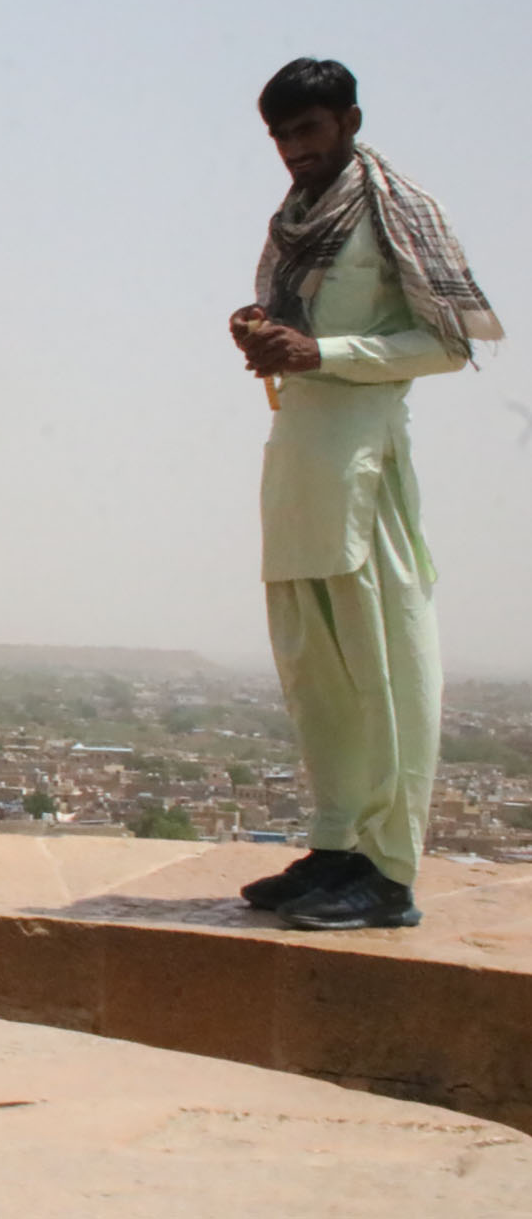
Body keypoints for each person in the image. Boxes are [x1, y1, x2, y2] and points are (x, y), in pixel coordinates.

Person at [229, 58, 503, 931]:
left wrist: (326, 352)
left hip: (367, 462)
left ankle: (388, 872)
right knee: (315, 666)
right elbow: (302, 327)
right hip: (300, 457)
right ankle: (339, 844)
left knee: (385, 663)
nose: (292, 149)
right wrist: (264, 332)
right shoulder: (294, 219)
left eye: (307, 130)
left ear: (349, 120)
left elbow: (450, 344)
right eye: (279, 135)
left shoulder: (395, 210)